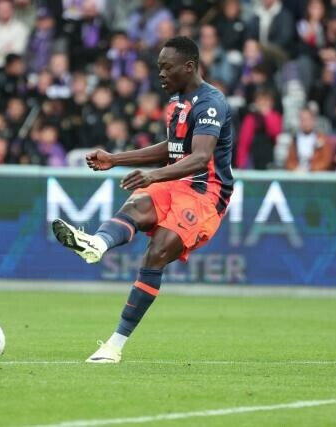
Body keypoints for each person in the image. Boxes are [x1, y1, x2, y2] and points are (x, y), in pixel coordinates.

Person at [51, 36, 233, 363]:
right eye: (158, 67)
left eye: (167, 67)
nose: (160, 73)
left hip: (206, 193)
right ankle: (97, 245)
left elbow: (199, 157)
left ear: (189, 66)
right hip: (176, 182)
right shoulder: (176, 102)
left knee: (156, 253)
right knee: (137, 205)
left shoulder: (211, 103)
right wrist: (115, 159)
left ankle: (114, 346)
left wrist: (152, 176)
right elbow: (172, 148)